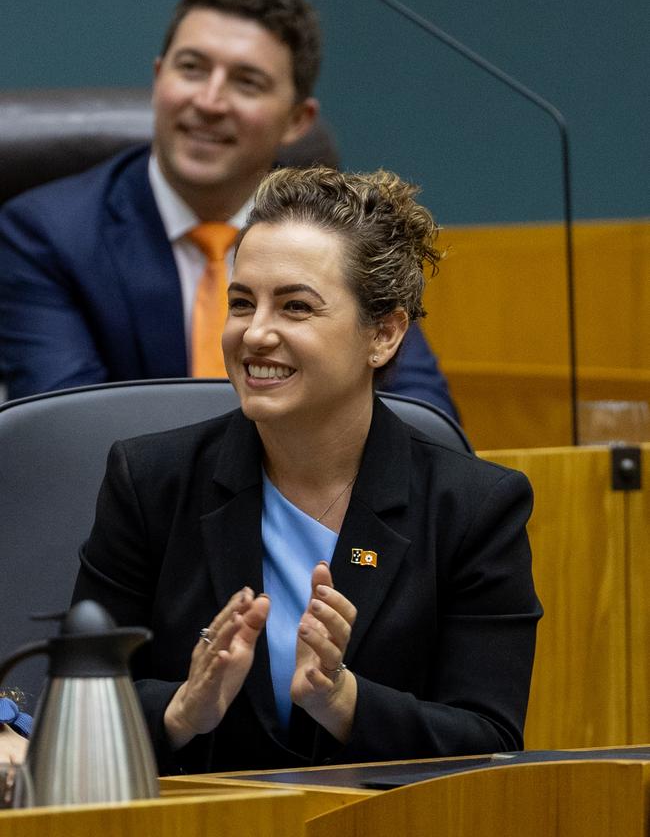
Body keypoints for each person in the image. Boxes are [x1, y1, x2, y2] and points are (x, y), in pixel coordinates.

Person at [72, 165, 541, 775]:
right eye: (242, 303)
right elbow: (77, 706)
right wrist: (182, 711)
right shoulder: (150, 481)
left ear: (384, 334)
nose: (255, 333)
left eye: (295, 307)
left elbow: (490, 739)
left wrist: (343, 701)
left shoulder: (474, 507)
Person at [0, 0, 458, 420]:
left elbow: (421, 415)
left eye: (247, 82)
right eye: (192, 69)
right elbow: (67, 432)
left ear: (298, 120)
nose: (210, 102)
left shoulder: (339, 234)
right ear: (159, 79)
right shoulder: (47, 234)